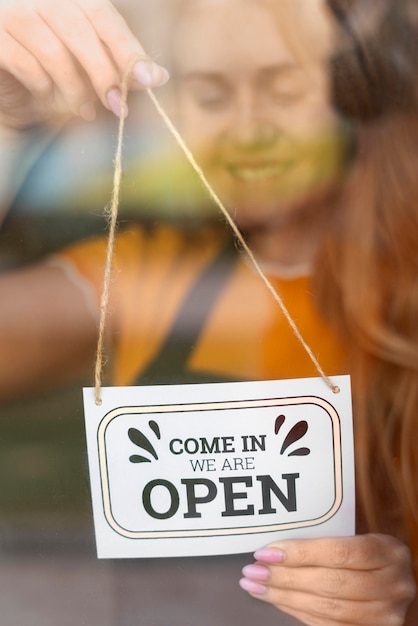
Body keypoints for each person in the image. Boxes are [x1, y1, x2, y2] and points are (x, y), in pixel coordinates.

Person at [0, 1, 417, 625]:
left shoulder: (401, 289)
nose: (248, 129)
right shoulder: (149, 273)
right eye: (212, 95)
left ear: (356, 96)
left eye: (284, 88)